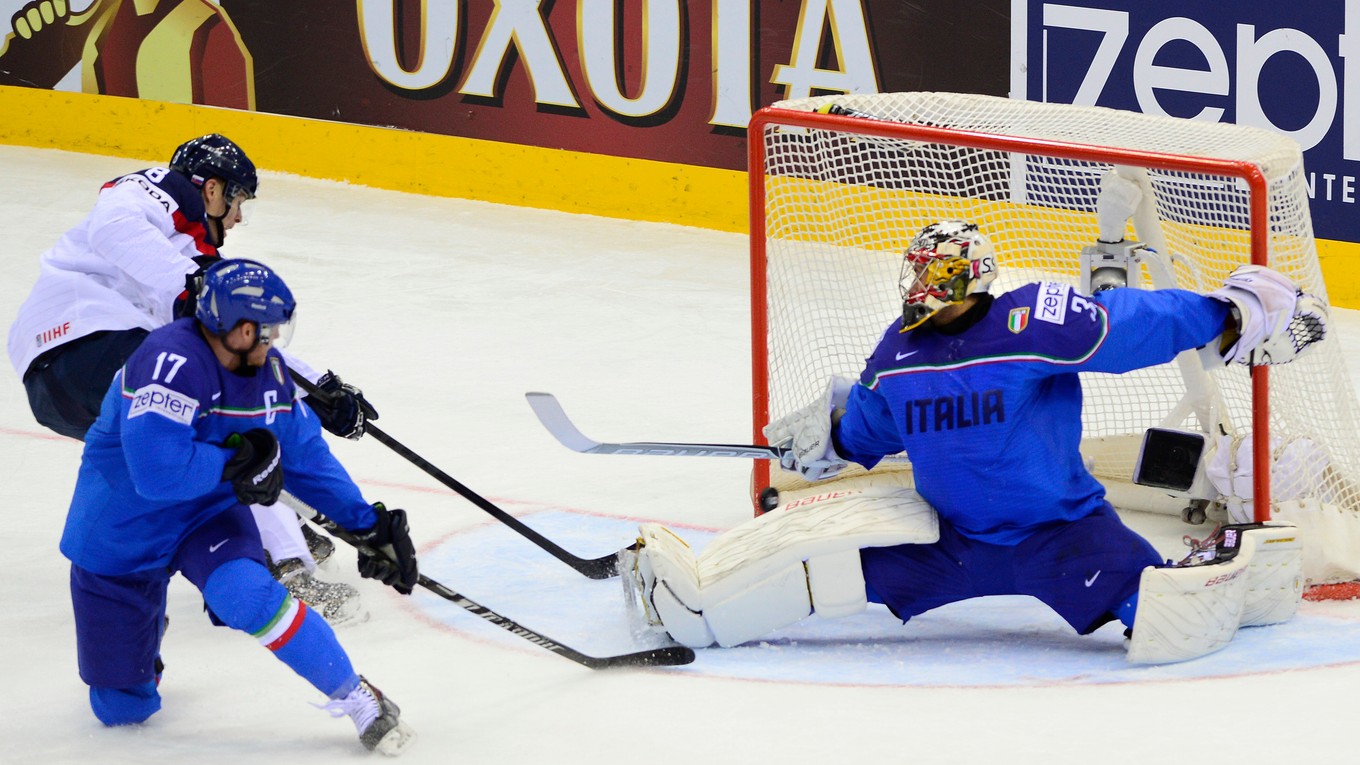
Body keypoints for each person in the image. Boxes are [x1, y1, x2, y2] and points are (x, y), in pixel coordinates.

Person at [627, 216, 1326, 664]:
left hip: (1063, 535)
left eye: (937, 276)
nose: (920, 288)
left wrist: (1223, 316)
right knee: (830, 573)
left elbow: (1128, 321)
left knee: (1165, 615)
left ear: (971, 280)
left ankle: (1245, 573)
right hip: (953, 542)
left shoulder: (1030, 324)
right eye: (918, 274)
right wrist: (826, 437)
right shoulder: (897, 352)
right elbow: (869, 428)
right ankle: (697, 612)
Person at [7, 133, 378, 624]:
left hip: (58, 385)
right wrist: (192, 288)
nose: (239, 216)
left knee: (202, 454)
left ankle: (253, 543)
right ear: (211, 189)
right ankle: (283, 563)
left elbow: (245, 345)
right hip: (90, 345)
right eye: (239, 199)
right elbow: (113, 226)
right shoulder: (162, 192)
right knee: (240, 426)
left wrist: (322, 386)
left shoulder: (193, 262)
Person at [60, 258, 417, 754]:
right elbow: (157, 475)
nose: (274, 342)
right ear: (239, 329)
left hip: (204, 515)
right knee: (121, 709)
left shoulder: (265, 371)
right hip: (121, 526)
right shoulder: (168, 363)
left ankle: (357, 697)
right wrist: (234, 461)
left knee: (246, 596)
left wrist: (368, 525)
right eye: (267, 330)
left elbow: (305, 456)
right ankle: (145, 638)